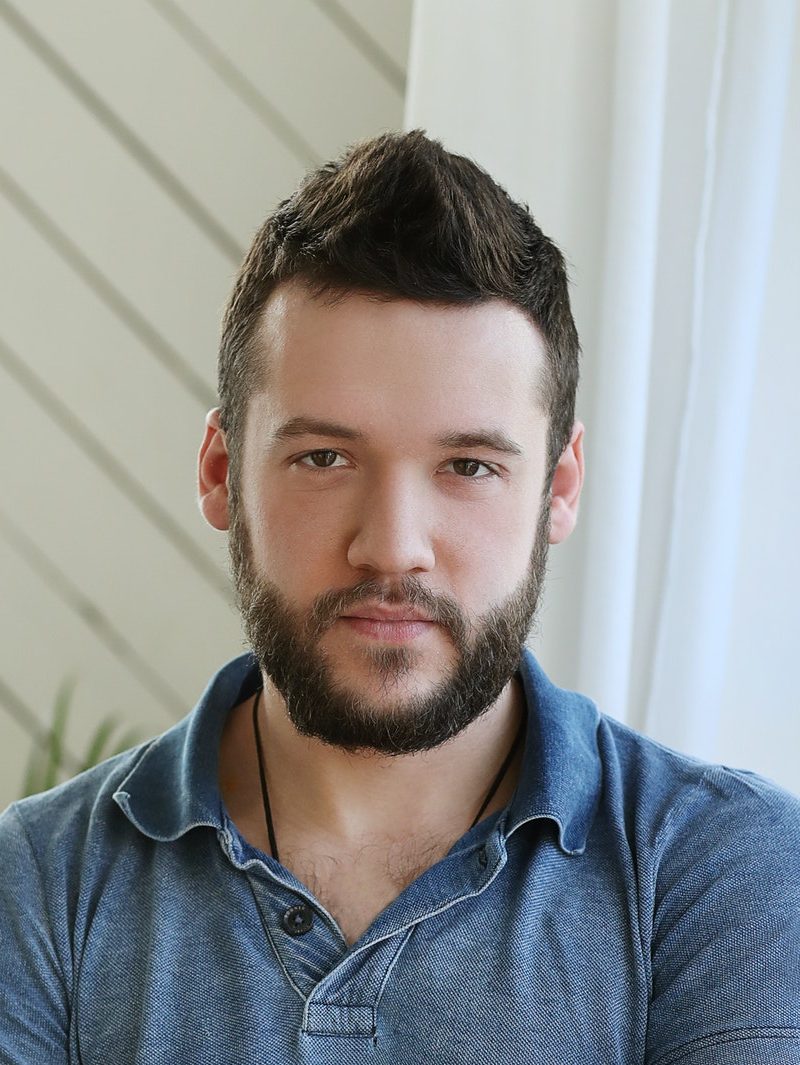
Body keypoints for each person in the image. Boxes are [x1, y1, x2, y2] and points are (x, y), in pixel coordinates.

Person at [1, 131, 798, 1064]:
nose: (391, 545)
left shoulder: (727, 869)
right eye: (324, 458)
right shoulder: (38, 886)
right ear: (221, 472)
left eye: (469, 466)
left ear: (559, 486)